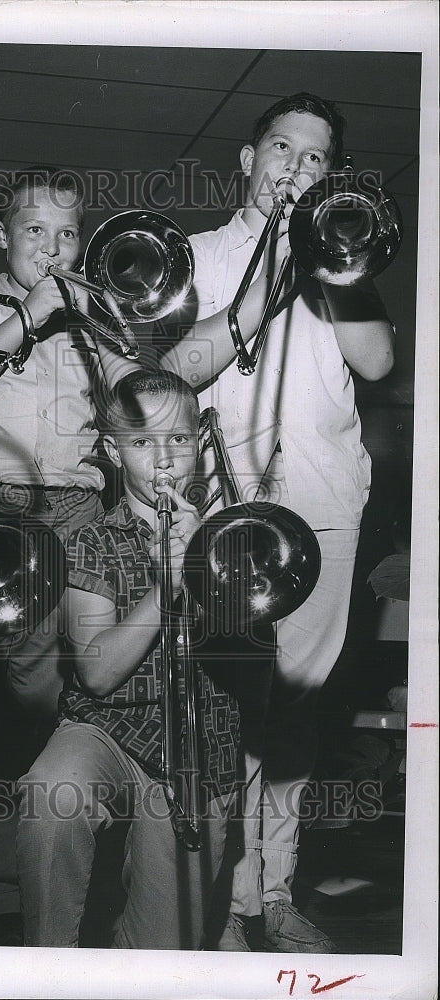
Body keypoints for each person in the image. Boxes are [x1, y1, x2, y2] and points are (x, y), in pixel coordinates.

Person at [155, 93, 396, 952]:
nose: (296, 167)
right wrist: (264, 288)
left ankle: (277, 891)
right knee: (234, 710)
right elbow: (178, 371)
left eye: (317, 158)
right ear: (246, 158)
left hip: (327, 504)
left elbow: (378, 361)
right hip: (232, 512)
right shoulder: (194, 255)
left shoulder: (338, 261)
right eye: (282, 148)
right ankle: (226, 899)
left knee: (298, 711)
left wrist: (338, 265)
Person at [0, 166, 128, 943]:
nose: (52, 248)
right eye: (34, 230)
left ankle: (12, 889)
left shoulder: (93, 313)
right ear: (2, 235)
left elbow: (121, 413)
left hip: (74, 510)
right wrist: (30, 317)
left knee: (48, 707)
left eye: (68, 233)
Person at [15, 369, 241, 948]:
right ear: (114, 453)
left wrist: (207, 564)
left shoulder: (231, 538)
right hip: (107, 729)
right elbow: (97, 672)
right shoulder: (89, 542)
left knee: (161, 956)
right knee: (51, 796)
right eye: (142, 442)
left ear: (202, 441)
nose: (164, 459)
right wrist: (168, 587)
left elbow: (251, 663)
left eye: (180, 440)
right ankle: (46, 972)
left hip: (198, 743)